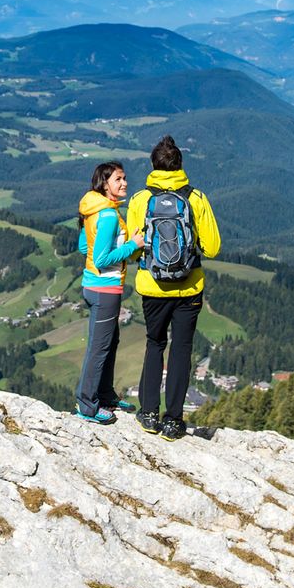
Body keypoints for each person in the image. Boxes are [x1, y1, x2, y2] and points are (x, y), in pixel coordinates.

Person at [125, 135, 221, 441]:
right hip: (189, 287)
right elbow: (214, 247)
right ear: (180, 165)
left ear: (153, 166)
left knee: (155, 344)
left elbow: (134, 249)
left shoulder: (140, 200)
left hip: (152, 287)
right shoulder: (196, 198)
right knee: (181, 349)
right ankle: (174, 420)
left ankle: (149, 413)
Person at [74, 161, 145, 424]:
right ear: (105, 185)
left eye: (124, 178)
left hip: (94, 287)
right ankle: (87, 405)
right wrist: (132, 245)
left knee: (108, 343)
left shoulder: (95, 210)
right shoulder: (107, 215)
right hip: (105, 290)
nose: (124, 183)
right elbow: (102, 259)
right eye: (118, 179)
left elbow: (85, 248)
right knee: (99, 348)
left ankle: (104, 394)